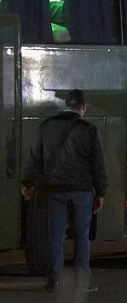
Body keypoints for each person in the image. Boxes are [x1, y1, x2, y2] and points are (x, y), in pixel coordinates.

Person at [20, 89, 107, 293]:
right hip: (81, 190)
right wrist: (101, 192)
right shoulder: (88, 129)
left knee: (56, 236)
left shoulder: (46, 127)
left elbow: (36, 159)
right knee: (82, 236)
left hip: (54, 189)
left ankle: (54, 279)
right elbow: (97, 164)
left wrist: (27, 184)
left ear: (65, 105)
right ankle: (82, 281)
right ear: (83, 108)